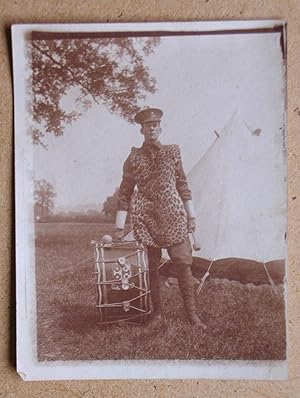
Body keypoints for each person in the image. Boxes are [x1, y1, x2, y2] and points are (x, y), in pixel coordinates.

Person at [114, 107, 206, 328]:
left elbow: (183, 185)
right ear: (142, 130)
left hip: (174, 216)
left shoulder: (173, 152)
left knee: (183, 264)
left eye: (155, 124)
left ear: (160, 128)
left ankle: (192, 314)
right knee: (151, 267)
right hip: (146, 219)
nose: (152, 128)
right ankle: (157, 314)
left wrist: (191, 216)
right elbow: (125, 192)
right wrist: (119, 226)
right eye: (147, 125)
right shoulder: (133, 158)